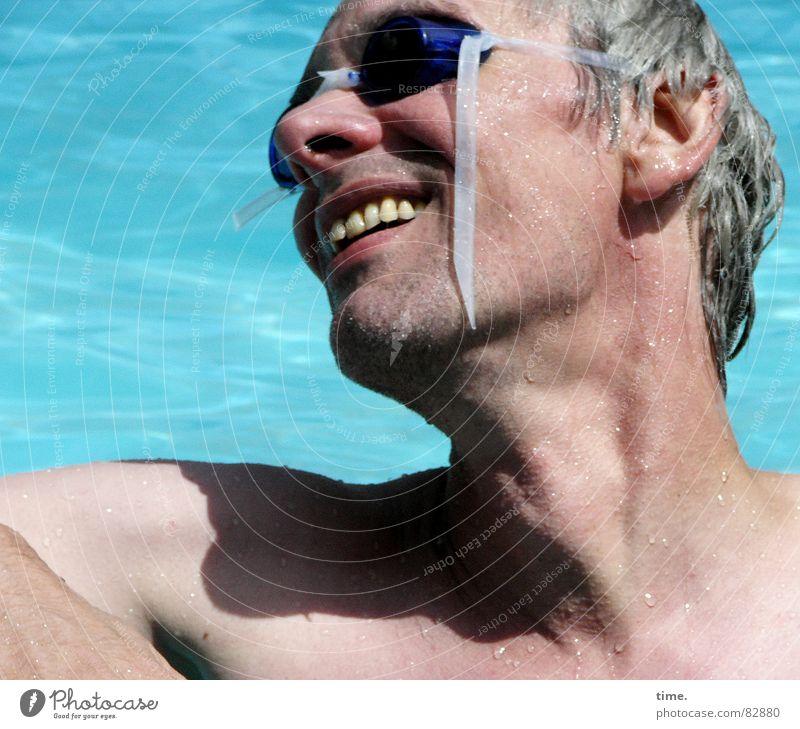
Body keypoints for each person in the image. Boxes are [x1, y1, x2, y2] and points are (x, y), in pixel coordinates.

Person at [2, 0, 797, 679]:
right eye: (302, 106)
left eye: (411, 53)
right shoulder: (222, 568)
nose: (297, 131)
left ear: (662, 124)